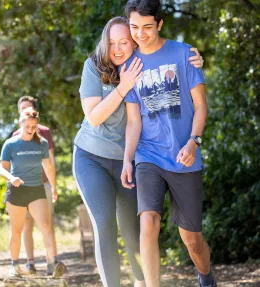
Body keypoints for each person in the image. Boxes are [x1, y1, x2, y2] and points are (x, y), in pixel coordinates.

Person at [72, 15, 204, 287]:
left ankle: (141, 283)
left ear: (135, 43)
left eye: (124, 42)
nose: (118, 48)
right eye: (112, 43)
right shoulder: (93, 67)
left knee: (135, 232)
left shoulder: (144, 65)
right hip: (90, 158)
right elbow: (94, 117)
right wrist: (123, 87)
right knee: (105, 225)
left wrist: (196, 60)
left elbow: (175, 69)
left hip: (127, 160)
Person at [121, 1, 216, 287]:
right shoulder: (130, 65)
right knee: (148, 222)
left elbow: (201, 107)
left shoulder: (184, 54)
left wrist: (193, 143)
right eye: (134, 27)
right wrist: (128, 159)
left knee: (192, 240)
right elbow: (134, 122)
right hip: (148, 155)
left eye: (147, 27)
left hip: (184, 156)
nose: (140, 33)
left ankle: (206, 278)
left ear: (160, 24)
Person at [0, 107, 64, 278]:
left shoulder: (41, 143)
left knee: (46, 226)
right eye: (27, 126)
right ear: (21, 124)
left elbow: (48, 167)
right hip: (17, 191)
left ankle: (52, 264)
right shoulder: (10, 144)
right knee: (17, 230)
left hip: (36, 189)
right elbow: (2, 169)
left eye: (33, 127)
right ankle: (14, 265)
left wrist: (54, 187)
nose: (30, 130)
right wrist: (11, 177)